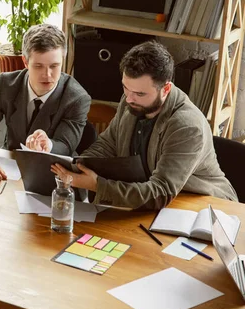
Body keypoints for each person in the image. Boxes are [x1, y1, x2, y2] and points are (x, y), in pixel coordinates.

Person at [45, 41, 237, 209]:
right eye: (125, 88)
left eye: (140, 94)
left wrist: (97, 185)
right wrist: (76, 167)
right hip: (155, 201)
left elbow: (160, 192)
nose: (129, 98)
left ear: (166, 89)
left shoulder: (187, 126)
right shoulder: (131, 100)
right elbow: (108, 144)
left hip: (204, 207)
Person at [0, 24, 90, 180]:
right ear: (25, 62)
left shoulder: (77, 98)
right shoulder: (5, 85)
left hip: (53, 177)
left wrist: (48, 145)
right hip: (10, 172)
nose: (47, 75)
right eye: (38, 66)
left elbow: (66, 146)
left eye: (54, 66)